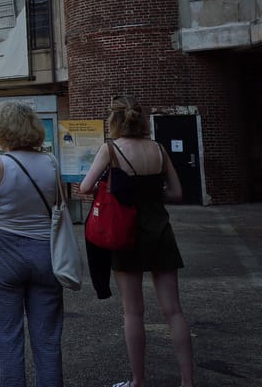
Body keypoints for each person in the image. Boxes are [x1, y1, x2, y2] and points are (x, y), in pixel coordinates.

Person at [79, 95, 195, 387]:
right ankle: (188, 382)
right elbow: (177, 193)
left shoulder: (111, 149)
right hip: (160, 231)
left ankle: (138, 381)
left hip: (125, 233)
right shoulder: (158, 149)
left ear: (113, 120)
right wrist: (151, 195)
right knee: (174, 310)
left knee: (133, 311)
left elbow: (85, 187)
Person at [0, 100, 65, 387]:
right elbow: (58, 207)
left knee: (8, 338)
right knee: (48, 339)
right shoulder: (51, 163)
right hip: (46, 253)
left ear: (0, 129)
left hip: (6, 255)